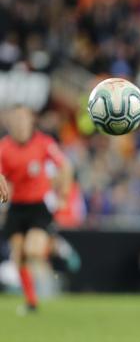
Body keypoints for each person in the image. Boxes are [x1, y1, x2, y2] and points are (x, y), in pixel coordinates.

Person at [0, 105, 72, 312]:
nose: (20, 124)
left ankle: (53, 252)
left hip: (38, 207)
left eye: (24, 119)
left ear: (31, 121)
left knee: (32, 250)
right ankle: (32, 302)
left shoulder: (44, 143)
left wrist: (64, 195)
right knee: (19, 256)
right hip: (16, 207)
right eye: (16, 119)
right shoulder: (4, 147)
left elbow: (65, 166)